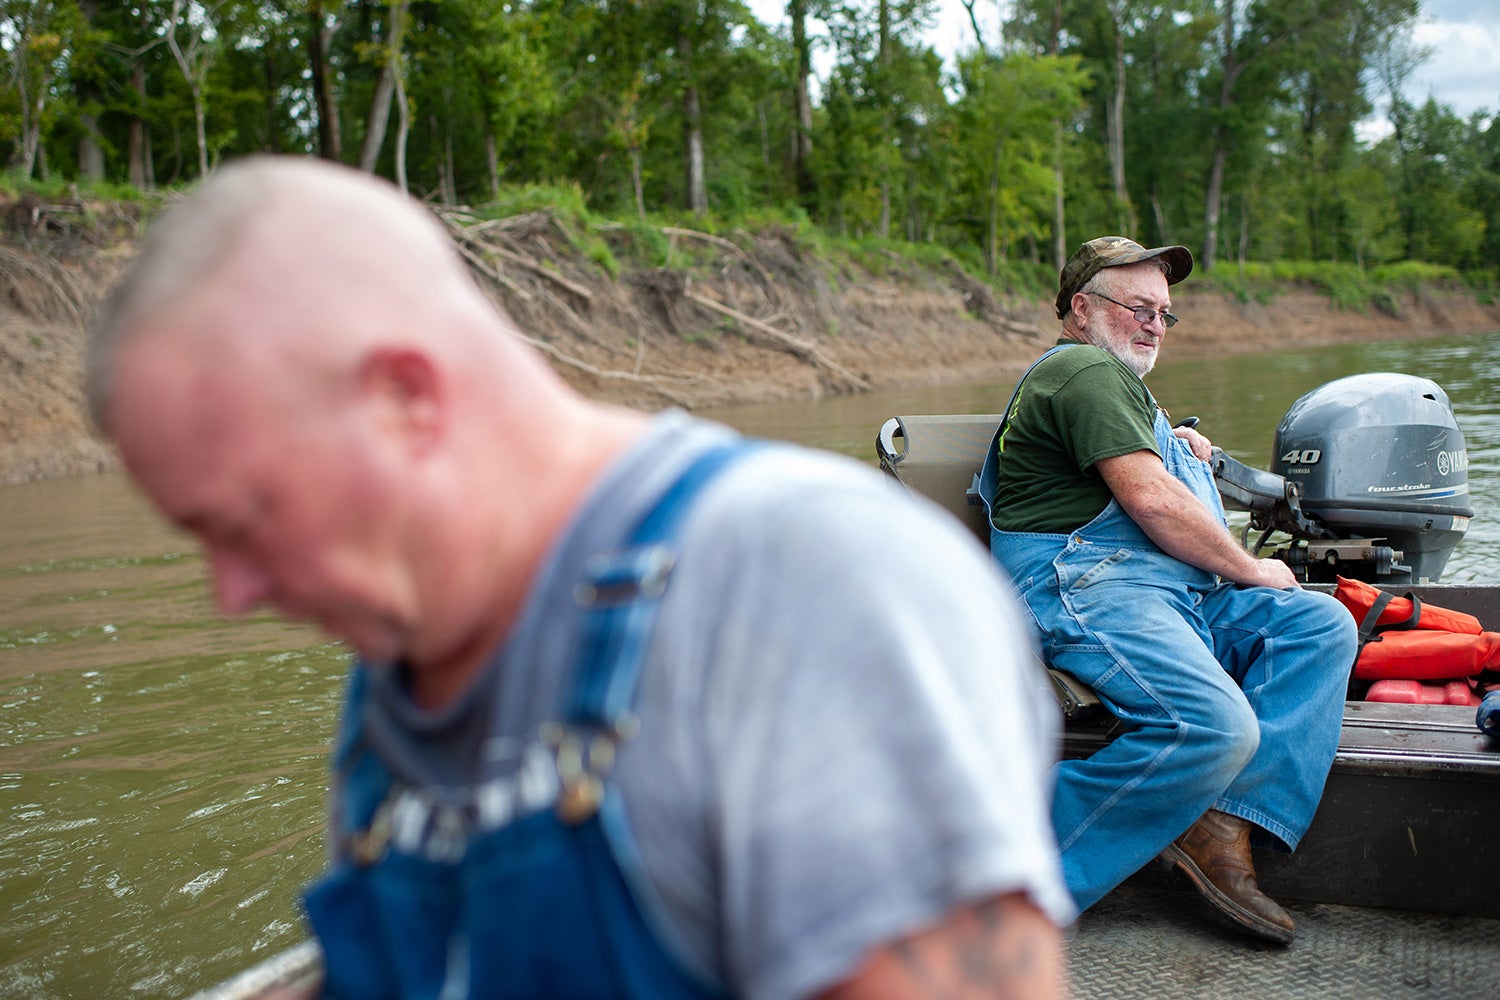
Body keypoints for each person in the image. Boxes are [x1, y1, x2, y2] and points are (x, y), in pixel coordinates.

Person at [87, 155, 1074, 999]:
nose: (232, 591)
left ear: (402, 398)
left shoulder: (810, 585)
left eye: (245, 521)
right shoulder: (396, 662)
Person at [979, 236, 1354, 945]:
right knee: (1212, 725)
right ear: (1081, 308)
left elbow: (1143, 474)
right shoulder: (1083, 371)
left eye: (1163, 313)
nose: (1154, 323)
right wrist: (1252, 566)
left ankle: (1221, 825)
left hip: (1163, 587)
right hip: (1082, 586)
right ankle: (1012, 884)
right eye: (1138, 308)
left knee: (1318, 625)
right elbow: (1150, 503)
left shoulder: (1115, 385)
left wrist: (1180, 446)